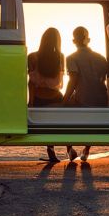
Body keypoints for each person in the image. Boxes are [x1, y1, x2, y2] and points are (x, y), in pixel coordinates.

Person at [63, 26, 109, 162]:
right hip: (101, 100)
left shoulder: (71, 58)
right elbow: (102, 79)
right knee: (92, 124)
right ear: (88, 40)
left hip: (84, 100)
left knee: (64, 113)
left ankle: (69, 149)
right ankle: (86, 150)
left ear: (73, 41)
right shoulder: (101, 58)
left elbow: (73, 80)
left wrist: (65, 99)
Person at [28, 27, 65, 162]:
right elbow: (60, 82)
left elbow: (31, 83)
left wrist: (31, 102)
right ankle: (69, 148)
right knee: (61, 122)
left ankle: (51, 149)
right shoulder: (60, 57)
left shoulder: (32, 57)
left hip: (39, 98)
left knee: (46, 125)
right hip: (56, 97)